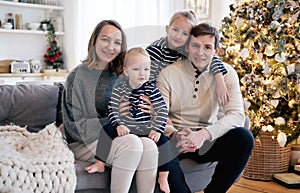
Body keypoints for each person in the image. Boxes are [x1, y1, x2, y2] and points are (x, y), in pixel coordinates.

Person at [156, 23, 254, 193]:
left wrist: (203, 135)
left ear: (216, 50)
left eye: (207, 47)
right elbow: (158, 117)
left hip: (206, 139)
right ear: (187, 47)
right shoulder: (168, 73)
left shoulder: (227, 74)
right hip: (176, 138)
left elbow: (237, 115)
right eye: (195, 45)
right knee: (160, 146)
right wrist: (174, 133)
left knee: (243, 137)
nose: (200, 53)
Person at [62, 20, 158, 193]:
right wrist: (115, 120)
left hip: (117, 136)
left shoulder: (123, 75)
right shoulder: (77, 77)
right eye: (105, 39)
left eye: (117, 42)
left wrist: (149, 112)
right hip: (83, 141)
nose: (110, 47)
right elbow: (73, 128)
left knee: (149, 146)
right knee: (132, 144)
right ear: (94, 41)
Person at [85, 47, 172, 193]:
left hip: (145, 128)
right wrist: (118, 124)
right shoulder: (120, 89)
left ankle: (163, 177)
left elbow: (162, 110)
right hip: (126, 128)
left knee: (165, 143)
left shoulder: (152, 89)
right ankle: (100, 162)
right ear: (126, 71)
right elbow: (112, 110)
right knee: (106, 130)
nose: (142, 73)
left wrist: (157, 129)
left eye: (146, 69)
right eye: (136, 69)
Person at [146, 10, 229, 106]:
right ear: (167, 29)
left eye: (185, 34)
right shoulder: (155, 51)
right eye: (175, 30)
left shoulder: (186, 48)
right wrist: (158, 107)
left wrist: (220, 80)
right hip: (153, 95)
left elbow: (211, 58)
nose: (178, 36)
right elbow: (145, 79)